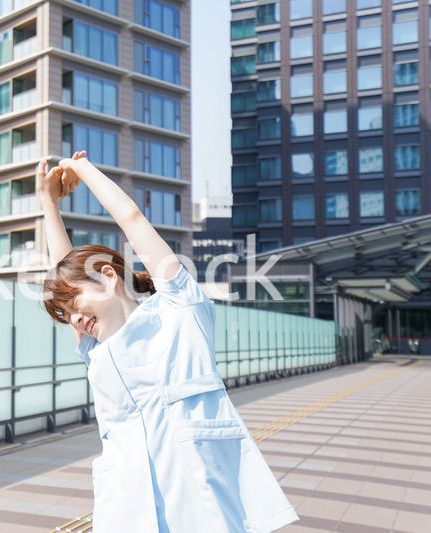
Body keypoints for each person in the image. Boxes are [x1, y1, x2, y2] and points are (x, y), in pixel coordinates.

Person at [36, 151, 299, 533]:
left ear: (108, 276)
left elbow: (133, 219)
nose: (75, 318)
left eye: (75, 306)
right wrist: (48, 203)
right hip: (128, 508)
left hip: (199, 502)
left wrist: (82, 169)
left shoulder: (179, 312)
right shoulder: (97, 352)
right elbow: (65, 269)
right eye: (67, 315)